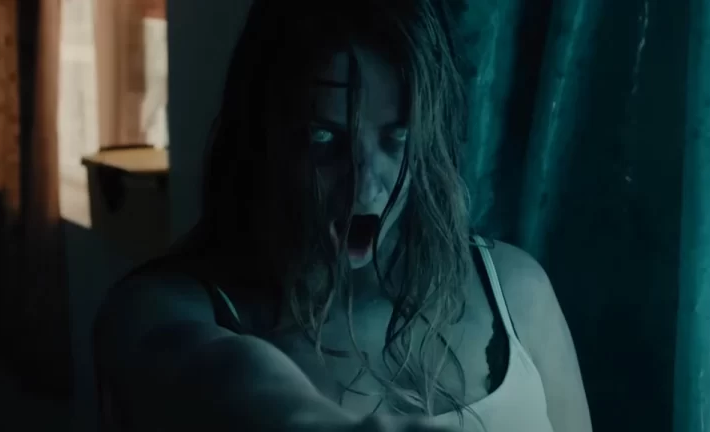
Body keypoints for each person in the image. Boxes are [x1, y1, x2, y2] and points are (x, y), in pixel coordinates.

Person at [93, 0, 592, 431]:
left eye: (398, 138)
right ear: (262, 137)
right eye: (324, 138)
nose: (364, 183)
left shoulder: (516, 292)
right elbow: (223, 376)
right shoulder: (160, 308)